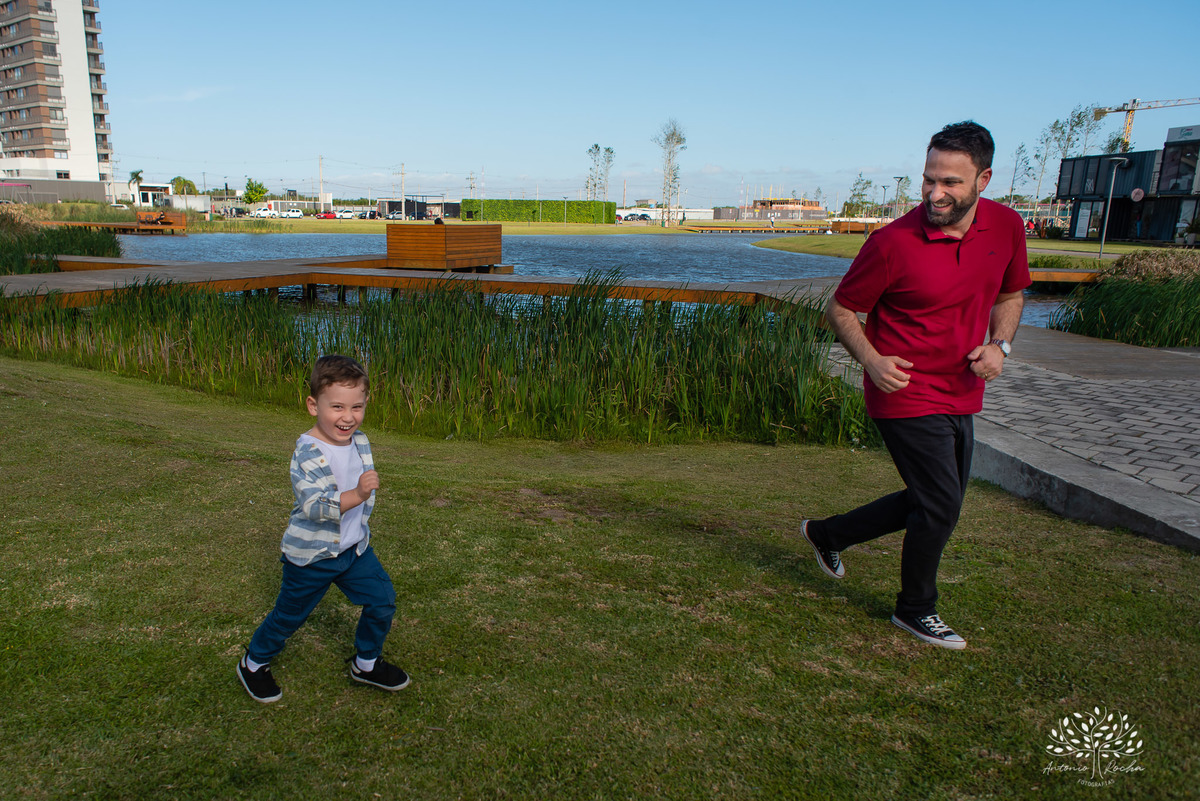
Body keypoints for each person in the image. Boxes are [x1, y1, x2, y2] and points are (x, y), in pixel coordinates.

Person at [801, 121, 1030, 650]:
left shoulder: (1007, 227)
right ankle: (915, 610)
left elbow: (1012, 294)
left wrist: (1001, 346)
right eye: (929, 179)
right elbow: (841, 307)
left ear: (984, 179)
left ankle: (828, 534)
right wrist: (872, 360)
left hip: (962, 389)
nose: (934, 193)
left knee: (932, 499)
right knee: (942, 505)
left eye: (950, 182)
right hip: (901, 389)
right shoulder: (892, 243)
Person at [238, 355, 409, 702]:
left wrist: (359, 502)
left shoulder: (360, 441)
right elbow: (314, 507)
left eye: (357, 407)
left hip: (354, 549)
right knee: (289, 616)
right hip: (312, 555)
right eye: (337, 407)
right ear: (313, 405)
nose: (348, 417)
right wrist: (358, 493)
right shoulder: (307, 451)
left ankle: (365, 663)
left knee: (382, 600)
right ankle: (253, 664)